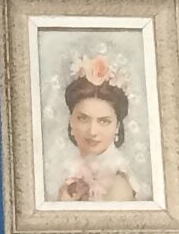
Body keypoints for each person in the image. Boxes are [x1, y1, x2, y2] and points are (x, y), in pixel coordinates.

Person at [57, 57, 139, 204]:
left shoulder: (118, 186)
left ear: (117, 127)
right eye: (83, 118)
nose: (92, 131)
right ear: (71, 120)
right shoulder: (70, 175)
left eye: (104, 121)